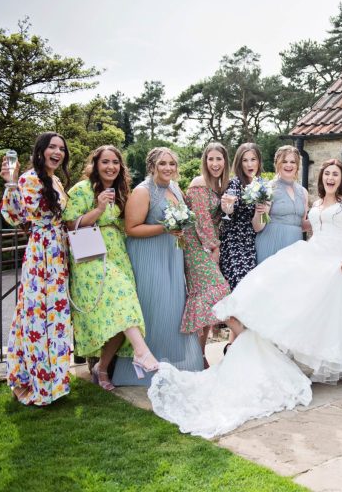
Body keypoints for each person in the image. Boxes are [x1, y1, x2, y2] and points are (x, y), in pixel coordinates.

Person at [148, 159, 342, 438]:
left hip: (336, 261)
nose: (331, 178)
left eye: (335, 175)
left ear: (341, 179)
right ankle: (251, 326)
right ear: (322, 178)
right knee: (282, 294)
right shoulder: (315, 202)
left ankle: (304, 364)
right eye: (327, 174)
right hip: (312, 252)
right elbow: (308, 225)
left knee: (313, 311)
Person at [63, 145, 159, 390]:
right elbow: (71, 224)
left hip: (118, 252)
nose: (111, 167)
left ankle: (101, 368)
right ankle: (141, 351)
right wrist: (98, 209)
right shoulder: (81, 189)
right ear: (95, 165)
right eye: (105, 162)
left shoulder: (121, 190)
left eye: (115, 162)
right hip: (91, 255)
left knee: (121, 314)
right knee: (123, 298)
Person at [111, 147, 203, 386]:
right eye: (163, 164)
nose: (168, 168)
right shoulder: (143, 192)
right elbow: (131, 228)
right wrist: (164, 228)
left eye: (172, 164)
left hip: (171, 255)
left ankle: (171, 363)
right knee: (154, 308)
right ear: (152, 166)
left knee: (173, 310)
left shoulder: (174, 188)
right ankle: (143, 369)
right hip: (149, 257)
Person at [0, 132, 73, 405]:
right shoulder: (29, 179)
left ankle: (54, 382)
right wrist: (10, 183)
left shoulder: (54, 179)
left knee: (55, 317)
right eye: (52, 147)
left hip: (57, 252)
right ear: (40, 150)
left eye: (61, 149)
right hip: (41, 253)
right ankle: (36, 382)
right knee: (37, 316)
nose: (58, 152)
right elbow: (16, 215)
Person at [181, 143, 231, 364]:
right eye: (210, 159)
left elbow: (216, 219)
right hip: (197, 245)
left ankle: (199, 356)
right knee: (219, 290)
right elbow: (201, 221)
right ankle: (199, 355)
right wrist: (215, 247)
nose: (215, 164)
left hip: (207, 243)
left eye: (219, 159)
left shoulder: (219, 185)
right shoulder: (199, 183)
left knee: (207, 302)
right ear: (205, 161)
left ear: (225, 162)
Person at [219, 142, 263, 290]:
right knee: (240, 286)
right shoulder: (235, 184)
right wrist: (228, 206)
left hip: (252, 242)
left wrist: (261, 207)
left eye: (253, 159)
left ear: (259, 161)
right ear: (239, 163)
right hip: (234, 243)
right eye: (245, 160)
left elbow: (259, 223)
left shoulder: (262, 185)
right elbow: (228, 211)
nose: (249, 164)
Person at [254, 145, 308, 264]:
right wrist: (260, 212)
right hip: (272, 242)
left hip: (294, 243)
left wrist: (321, 218)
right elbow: (258, 227)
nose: (289, 165)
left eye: (292, 162)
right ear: (277, 164)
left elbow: (302, 225)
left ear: (297, 165)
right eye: (284, 161)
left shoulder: (303, 192)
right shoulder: (268, 188)